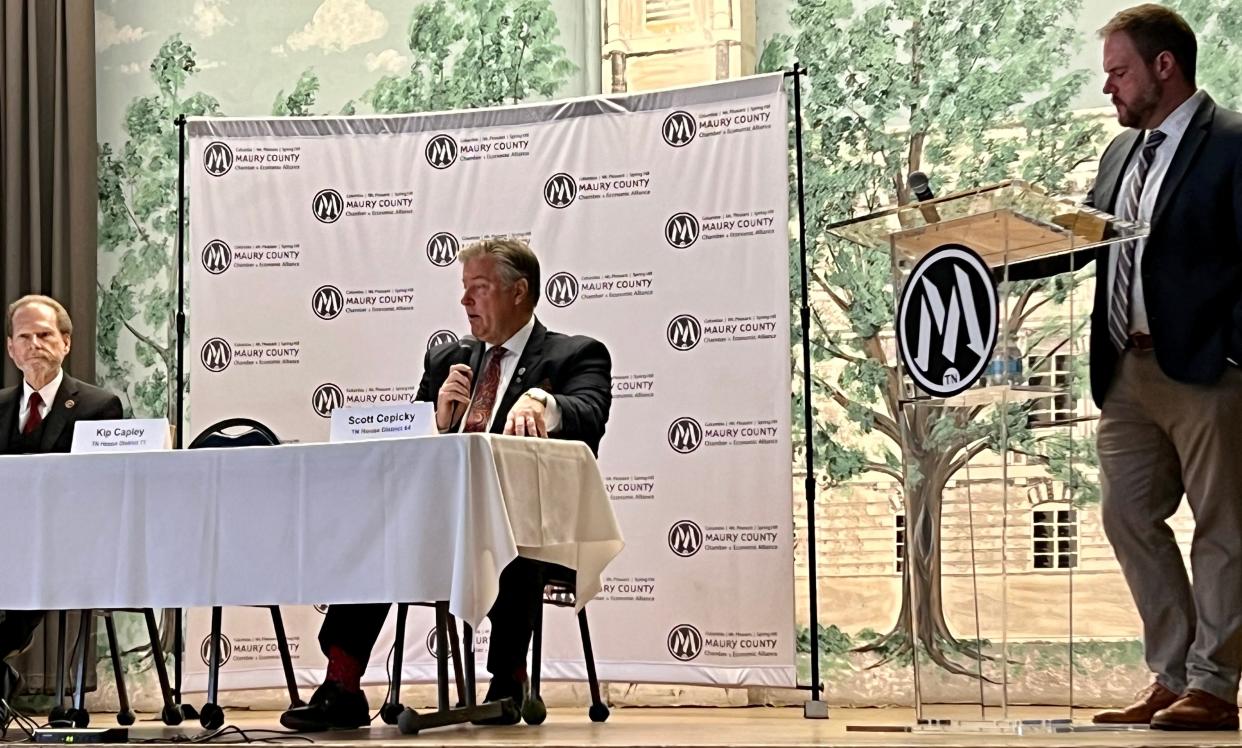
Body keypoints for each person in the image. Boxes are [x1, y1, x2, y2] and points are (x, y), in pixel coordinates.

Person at [1008, 4, 1242, 731]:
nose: (1108, 87)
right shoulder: (1118, 157)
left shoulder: (1232, 143)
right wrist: (992, 250)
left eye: (1118, 72)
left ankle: (1214, 684)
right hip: (1127, 372)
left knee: (1223, 527)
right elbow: (1083, 239)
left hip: (1209, 370)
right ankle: (1170, 678)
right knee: (1127, 515)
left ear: (1163, 67)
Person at [282, 238, 612, 731]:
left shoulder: (574, 355)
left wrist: (546, 403)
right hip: (438, 524)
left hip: (529, 526)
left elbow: (590, 415)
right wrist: (436, 422)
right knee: (376, 531)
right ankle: (342, 685)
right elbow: (408, 456)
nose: (464, 302)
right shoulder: (446, 361)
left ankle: (508, 680)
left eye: (477, 289)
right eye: (464, 290)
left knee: (511, 528)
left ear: (518, 292)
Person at [0, 295, 123, 709]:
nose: (35, 343)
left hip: (64, 542)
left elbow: (101, 493)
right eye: (25, 336)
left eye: (45, 335)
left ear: (65, 343)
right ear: (11, 348)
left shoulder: (98, 406)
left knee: (21, 578)